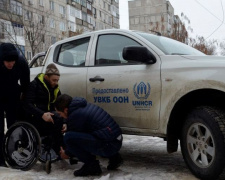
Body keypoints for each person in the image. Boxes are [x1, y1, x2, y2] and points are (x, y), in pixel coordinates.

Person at [55, 94, 123, 177]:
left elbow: (74, 140)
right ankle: (115, 158)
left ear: (65, 110)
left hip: (109, 146)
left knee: (68, 138)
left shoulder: (75, 115)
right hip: (116, 140)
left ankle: (92, 166)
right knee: (95, 134)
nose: (60, 116)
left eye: (59, 113)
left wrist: (66, 153)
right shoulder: (81, 106)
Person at [24, 63, 64, 156]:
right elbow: (27, 105)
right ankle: (58, 150)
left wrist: (65, 121)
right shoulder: (34, 85)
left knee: (63, 118)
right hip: (35, 116)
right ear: (46, 77)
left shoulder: (56, 88)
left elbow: (61, 105)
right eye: (54, 80)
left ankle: (61, 149)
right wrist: (42, 114)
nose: (56, 83)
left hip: (49, 115)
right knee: (57, 119)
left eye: (57, 80)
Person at [0, 43, 30, 166]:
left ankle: (14, 155)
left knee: (14, 126)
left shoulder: (21, 63)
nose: (11, 64)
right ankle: (0, 158)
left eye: (13, 61)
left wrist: (23, 99)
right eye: (8, 61)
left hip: (13, 94)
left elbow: (26, 84)